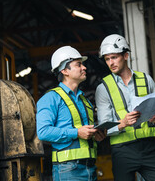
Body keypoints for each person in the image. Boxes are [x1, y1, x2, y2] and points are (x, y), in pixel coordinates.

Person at [95, 34, 155, 181]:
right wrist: (122, 123)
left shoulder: (145, 79)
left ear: (126, 56)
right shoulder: (103, 88)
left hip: (149, 148)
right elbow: (104, 126)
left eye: (114, 57)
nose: (111, 63)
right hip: (122, 151)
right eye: (107, 59)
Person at [36, 46, 105, 181]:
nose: (84, 67)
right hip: (68, 170)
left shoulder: (84, 101)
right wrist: (77, 133)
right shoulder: (50, 98)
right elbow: (43, 132)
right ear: (64, 70)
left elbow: (84, 133)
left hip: (90, 167)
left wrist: (96, 136)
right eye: (78, 64)